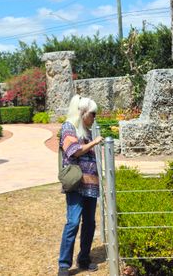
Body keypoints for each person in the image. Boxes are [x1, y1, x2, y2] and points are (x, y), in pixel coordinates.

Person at [58, 94, 103, 275]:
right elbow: (74, 151)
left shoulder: (87, 130)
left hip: (91, 184)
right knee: (73, 222)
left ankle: (84, 259)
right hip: (77, 184)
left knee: (89, 223)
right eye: (92, 114)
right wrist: (95, 142)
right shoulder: (69, 127)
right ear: (83, 113)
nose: (94, 118)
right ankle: (64, 264)